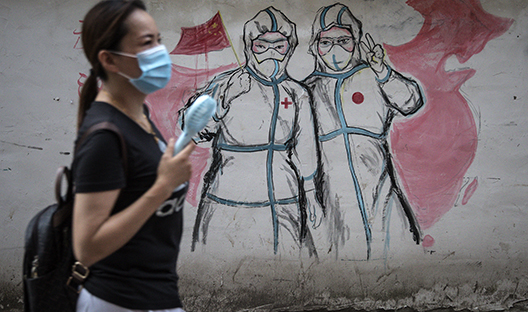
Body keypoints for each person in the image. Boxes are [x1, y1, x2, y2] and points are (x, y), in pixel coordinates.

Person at [72, 1, 194, 311]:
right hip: (120, 301)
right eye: (146, 43)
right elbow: (86, 248)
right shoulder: (104, 136)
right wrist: (162, 187)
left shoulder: (137, 114)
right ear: (110, 59)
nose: (160, 52)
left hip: (156, 296)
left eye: (158, 40)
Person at [180, 7, 325, 259]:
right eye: (262, 45)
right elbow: (190, 129)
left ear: (289, 48)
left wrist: (311, 194)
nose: (271, 53)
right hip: (228, 195)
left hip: (283, 197)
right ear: (249, 47)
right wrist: (222, 100)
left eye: (279, 46)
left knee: (286, 266)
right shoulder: (226, 84)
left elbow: (306, 147)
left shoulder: (297, 93)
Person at [303, 3, 424, 261]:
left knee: (393, 251)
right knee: (341, 258)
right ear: (315, 45)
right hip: (332, 193)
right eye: (326, 42)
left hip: (379, 185)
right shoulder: (308, 90)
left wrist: (383, 72)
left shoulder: (373, 76)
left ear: (355, 41)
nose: (334, 49)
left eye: (343, 40)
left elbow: (411, 102)